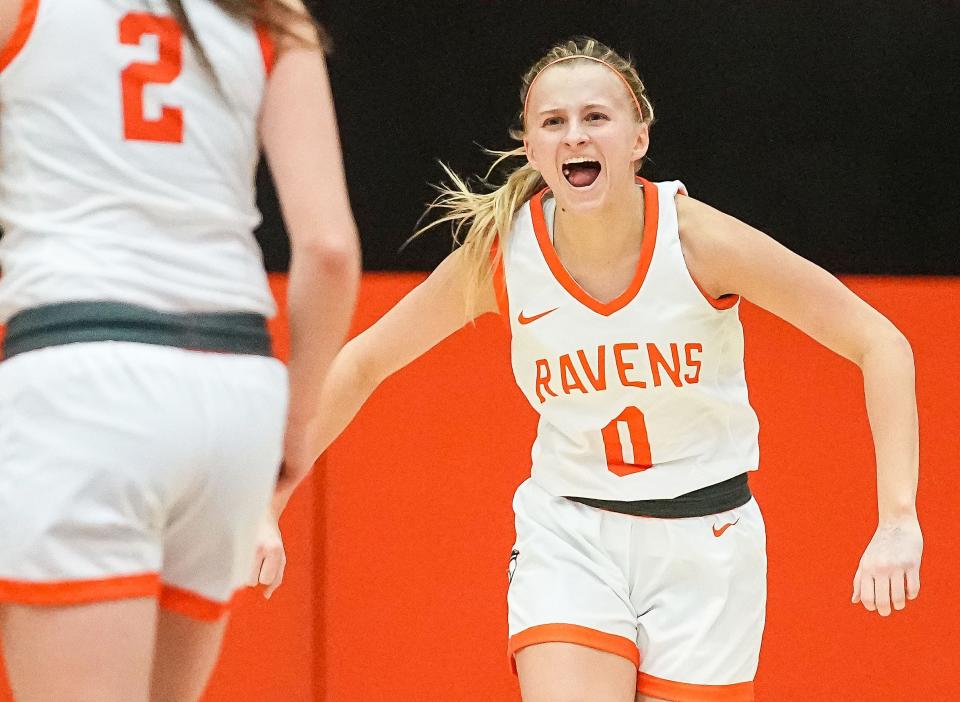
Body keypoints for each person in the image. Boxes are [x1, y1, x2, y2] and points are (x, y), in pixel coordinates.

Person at [254, 37, 922, 702]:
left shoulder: (699, 242)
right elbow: (365, 360)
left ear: (638, 138)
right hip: (571, 531)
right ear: (531, 148)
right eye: (554, 122)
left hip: (708, 541)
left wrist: (896, 517)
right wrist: (268, 502)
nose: (576, 135)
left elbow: (878, 341)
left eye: (596, 117)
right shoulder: (504, 256)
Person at [0, 0, 360, 700]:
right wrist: (295, 423)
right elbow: (329, 250)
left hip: (83, 369)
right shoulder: (270, 12)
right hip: (234, 394)